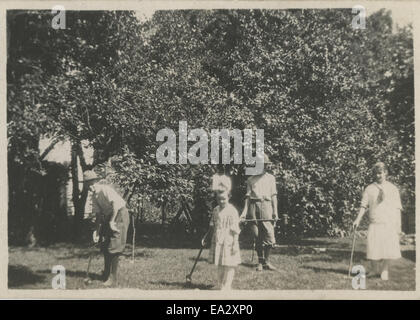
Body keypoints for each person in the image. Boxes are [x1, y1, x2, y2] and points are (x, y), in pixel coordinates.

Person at [353, 162, 403, 281]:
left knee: (387, 248)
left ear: (385, 173)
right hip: (375, 222)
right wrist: (357, 219)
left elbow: (397, 208)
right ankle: (374, 270)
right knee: (373, 247)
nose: (378, 176)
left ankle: (384, 271)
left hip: (388, 222)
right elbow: (363, 206)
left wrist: (398, 225)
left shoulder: (392, 188)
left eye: (380, 173)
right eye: (376, 173)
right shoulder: (369, 189)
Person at [84, 170, 130, 287]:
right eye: (87, 183)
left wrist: (111, 222)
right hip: (110, 215)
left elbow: (115, 205)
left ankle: (112, 278)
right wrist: (97, 231)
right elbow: (99, 215)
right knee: (105, 245)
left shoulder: (105, 189)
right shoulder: (94, 196)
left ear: (96, 181)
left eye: (91, 182)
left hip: (120, 213)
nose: (90, 186)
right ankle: (106, 273)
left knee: (114, 245)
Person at [240, 153, 278, 271]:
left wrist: (275, 211)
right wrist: (244, 213)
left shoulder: (271, 178)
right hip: (253, 207)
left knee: (269, 234)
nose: (263, 167)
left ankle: (267, 261)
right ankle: (260, 262)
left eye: (264, 165)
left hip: (267, 206)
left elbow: (274, 196)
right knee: (257, 236)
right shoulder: (250, 179)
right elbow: (248, 197)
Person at [202, 188, 241, 290]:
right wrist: (206, 237)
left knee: (230, 264)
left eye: (224, 199)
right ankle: (220, 284)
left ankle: (227, 284)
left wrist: (235, 243)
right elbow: (212, 226)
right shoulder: (215, 210)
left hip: (229, 240)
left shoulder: (232, 211)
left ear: (229, 197)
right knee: (220, 263)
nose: (221, 201)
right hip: (218, 239)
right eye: (219, 199)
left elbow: (235, 229)